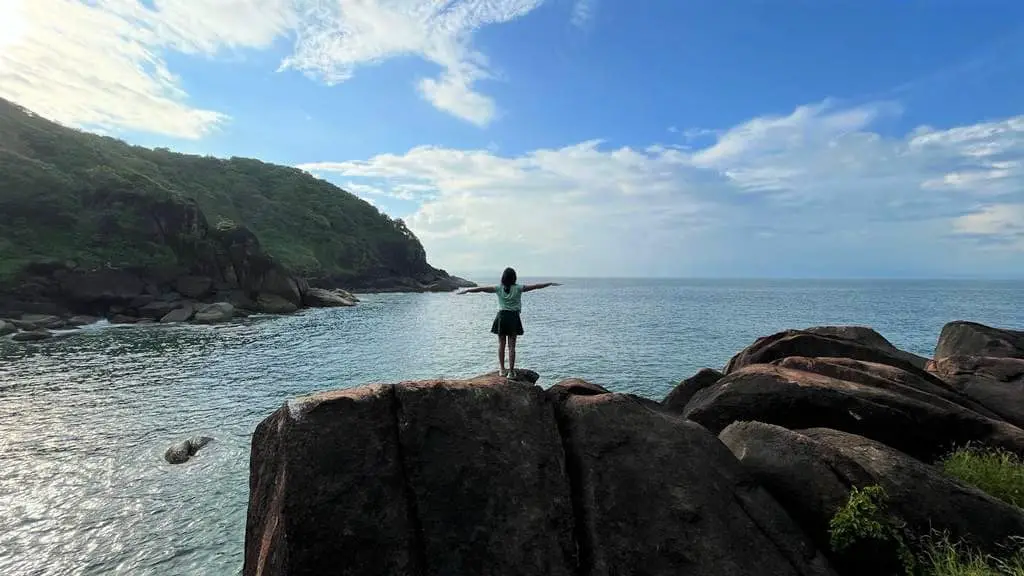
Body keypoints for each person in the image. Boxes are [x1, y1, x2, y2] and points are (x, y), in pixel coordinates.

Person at [457, 267, 560, 378]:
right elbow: (535, 286)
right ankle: (511, 372)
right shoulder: (519, 288)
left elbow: (481, 289)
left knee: (501, 345)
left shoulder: (498, 288)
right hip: (513, 318)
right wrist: (549, 283)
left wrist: (467, 290)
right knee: (512, 347)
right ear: (514, 278)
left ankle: (502, 370)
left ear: (503, 278)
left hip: (501, 317)